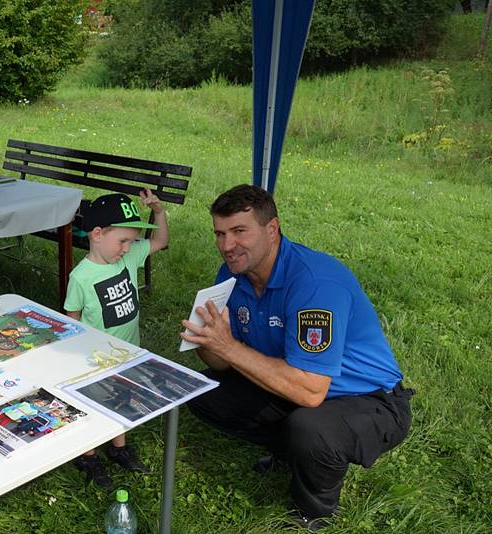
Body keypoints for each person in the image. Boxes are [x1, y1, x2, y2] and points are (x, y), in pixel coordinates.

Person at [180, 184, 413, 531]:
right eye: (220, 233)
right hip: (294, 381)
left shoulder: (315, 284)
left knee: (310, 427)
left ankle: (312, 512)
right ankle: (290, 452)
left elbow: (310, 393)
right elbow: (222, 364)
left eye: (239, 232)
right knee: (205, 392)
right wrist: (207, 340)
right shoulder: (233, 273)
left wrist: (229, 346)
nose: (227, 246)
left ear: (272, 229)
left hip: (369, 400)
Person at [63, 190, 168, 490]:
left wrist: (159, 212)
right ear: (97, 234)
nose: (127, 248)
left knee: (123, 396)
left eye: (132, 241)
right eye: (123, 241)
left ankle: (118, 447)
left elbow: (160, 240)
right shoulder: (81, 276)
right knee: (96, 404)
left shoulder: (130, 257)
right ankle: (88, 455)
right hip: (96, 357)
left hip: (128, 351)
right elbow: (72, 316)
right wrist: (80, 352)